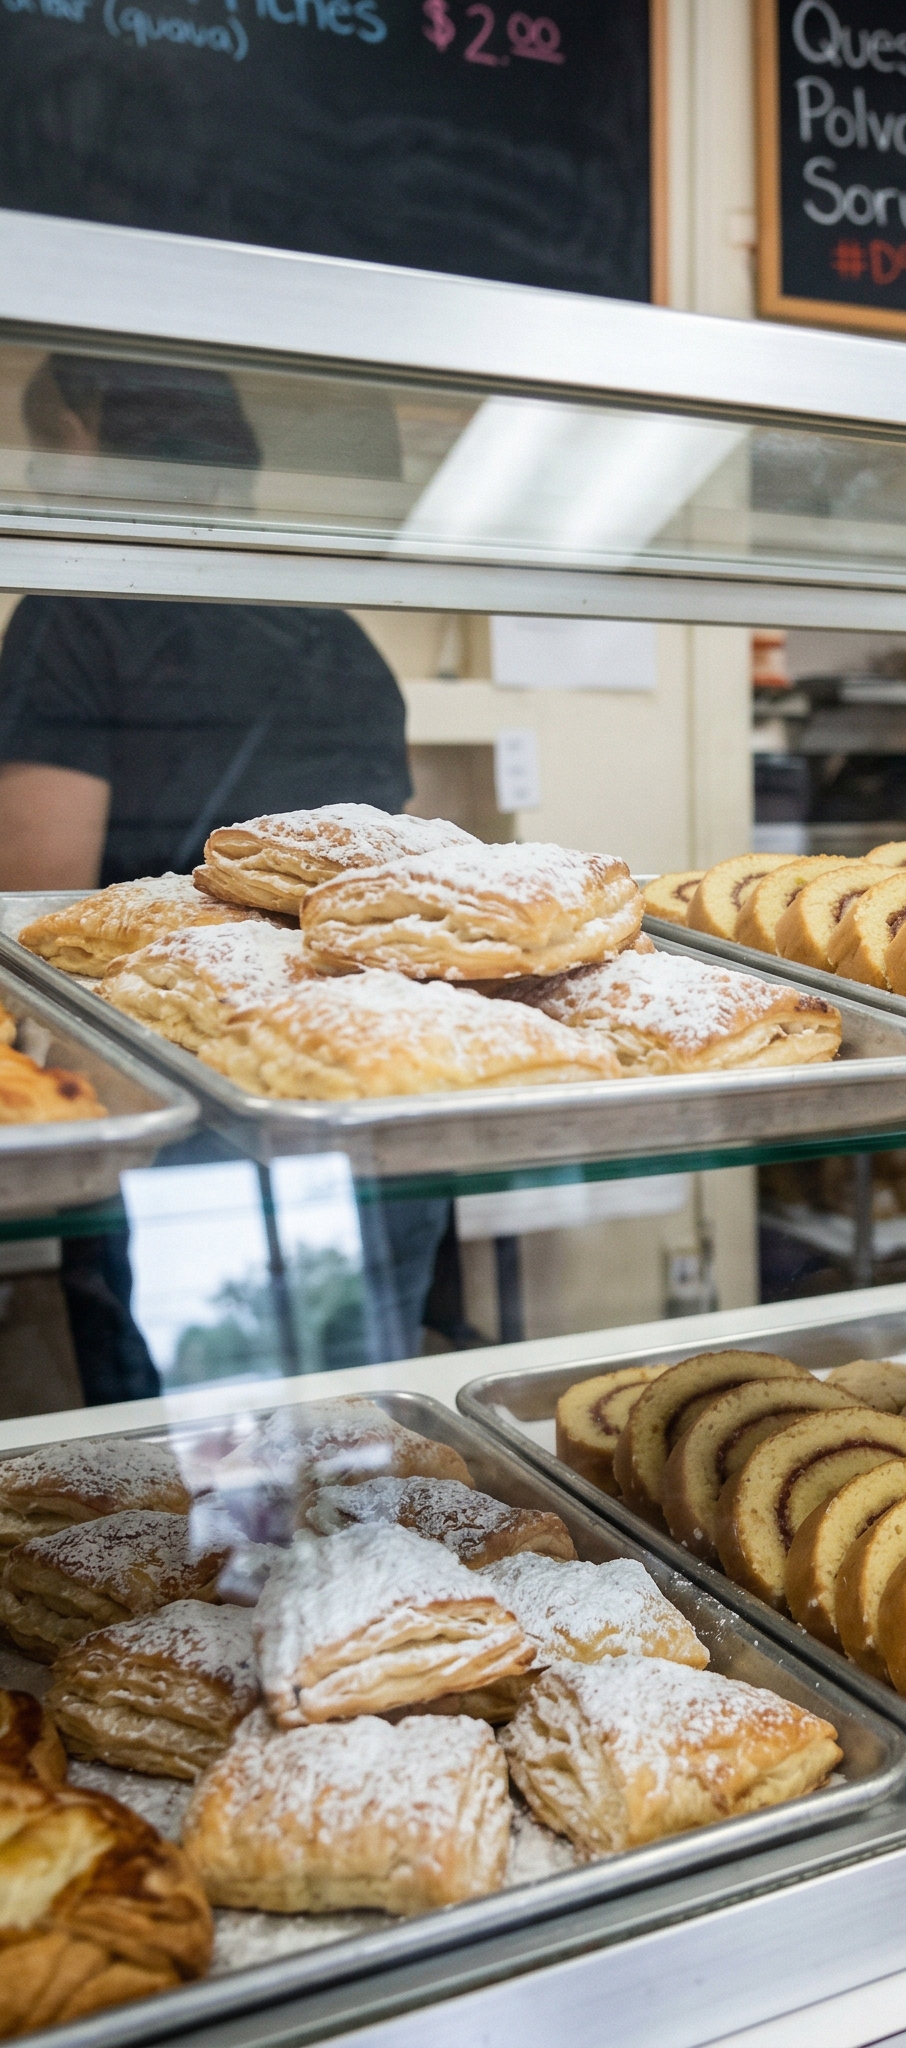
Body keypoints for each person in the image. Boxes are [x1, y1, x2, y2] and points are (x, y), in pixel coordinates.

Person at [0, 354, 446, 1400]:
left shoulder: (75, 616)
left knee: (197, 1497)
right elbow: (399, 883)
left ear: (81, 431)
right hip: (366, 1100)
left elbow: (32, 905)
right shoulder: (332, 636)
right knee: (354, 1459)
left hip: (183, 1135)